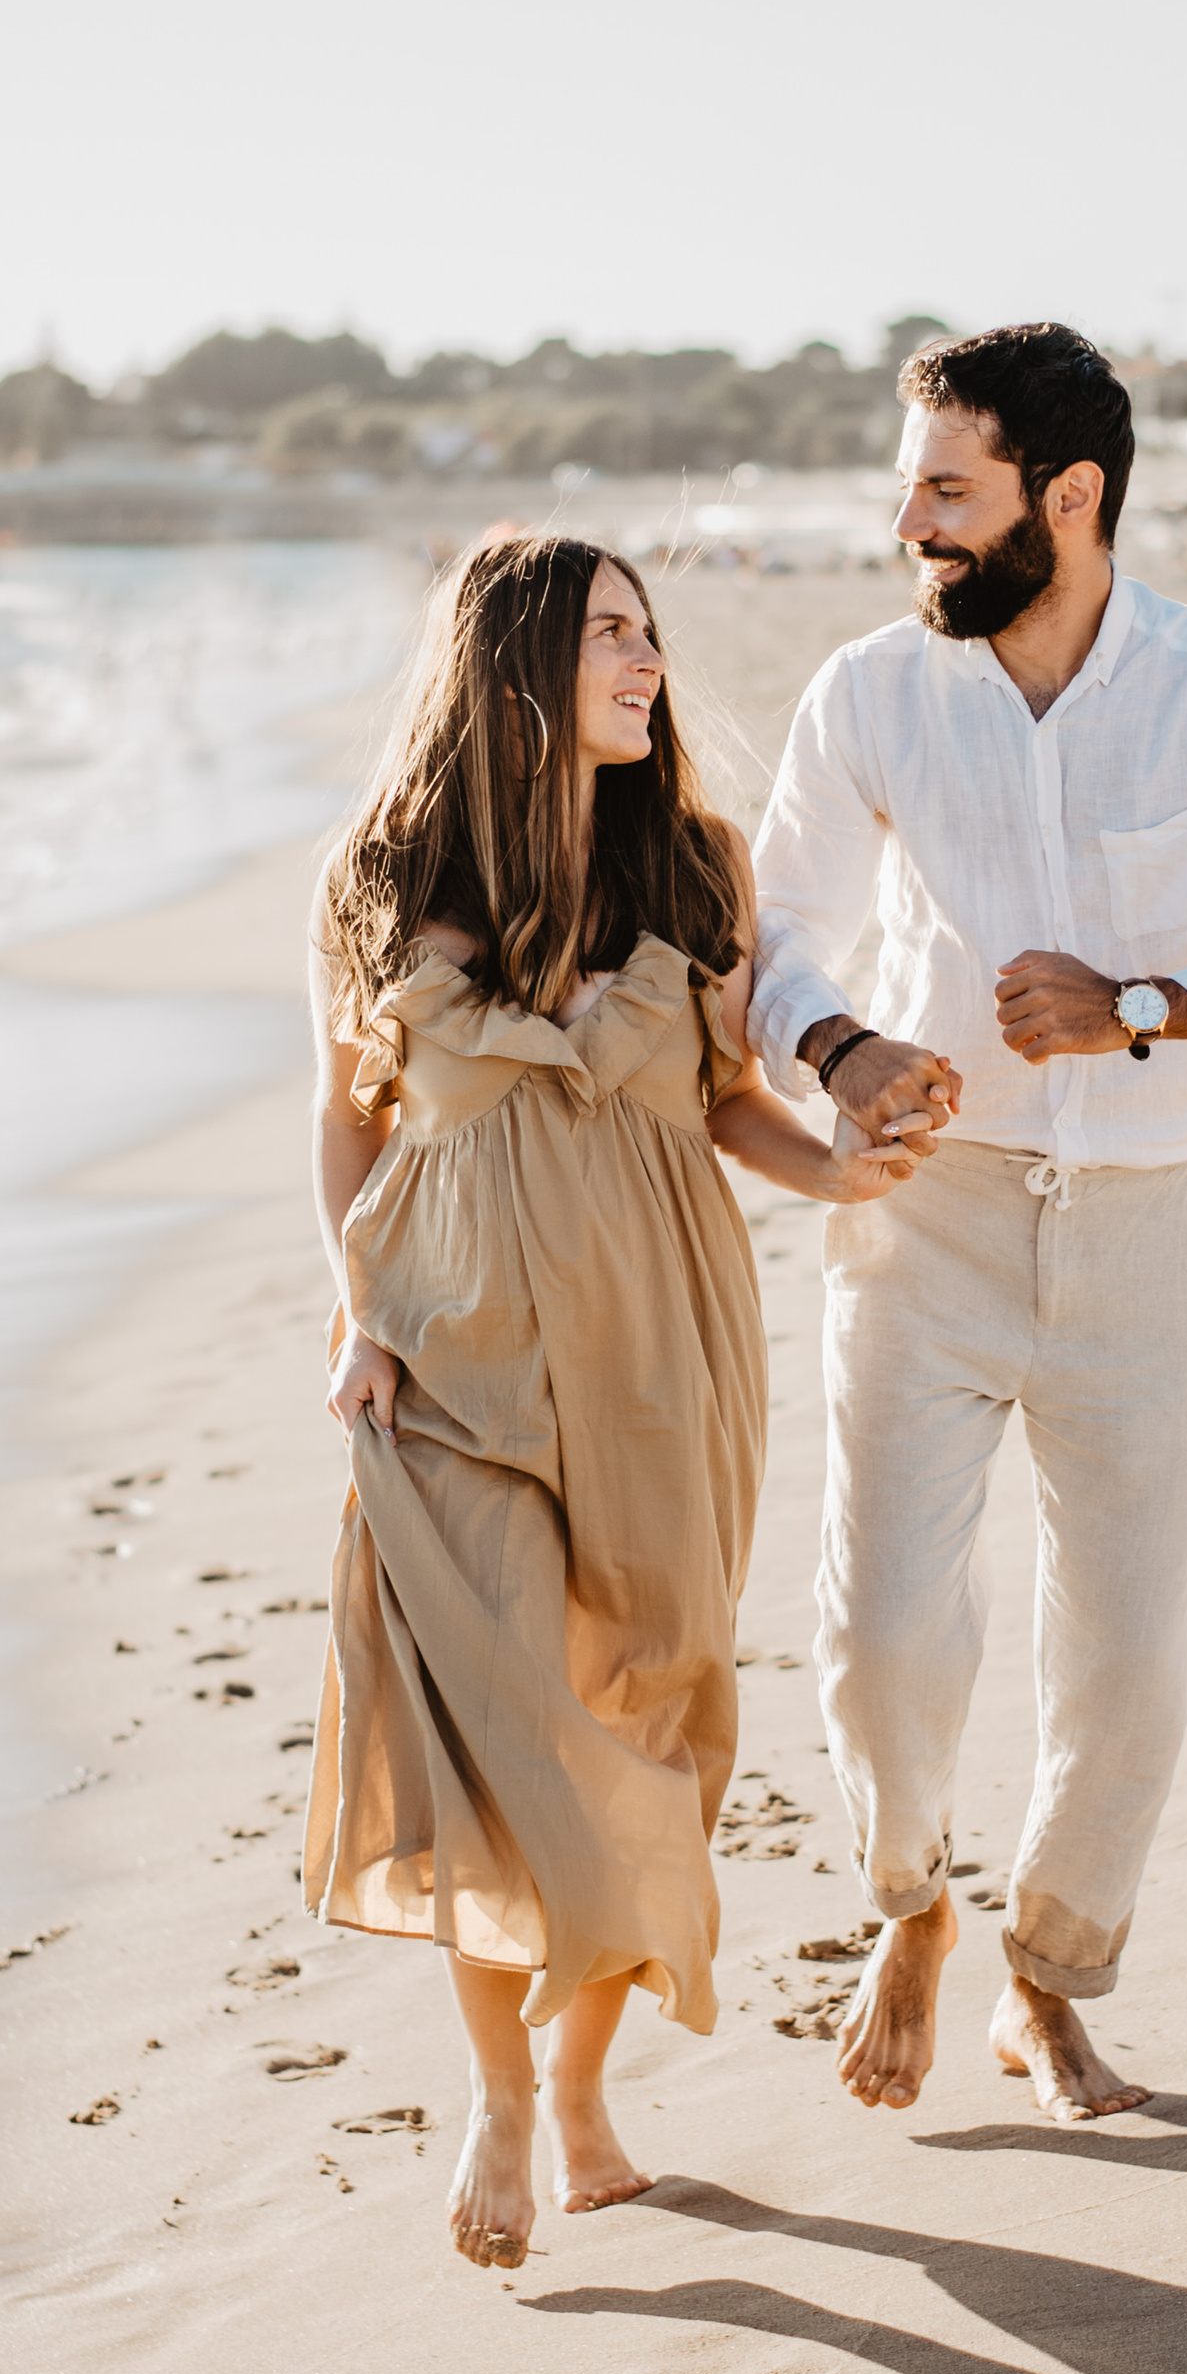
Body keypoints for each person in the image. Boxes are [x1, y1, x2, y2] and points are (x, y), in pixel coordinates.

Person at [748, 323, 1187, 2123]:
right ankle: (911, 1904)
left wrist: (1143, 1006)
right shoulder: (871, 691)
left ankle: (1050, 1969)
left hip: (1145, 1228)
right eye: (910, 490)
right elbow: (771, 928)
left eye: (948, 492)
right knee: (883, 1630)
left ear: (1071, 495)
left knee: (1127, 1650)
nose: (913, 527)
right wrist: (843, 1040)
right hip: (920, 1216)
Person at [304, 534, 925, 2272]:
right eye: (610, 638)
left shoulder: (695, 861)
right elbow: (350, 1118)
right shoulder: (377, 875)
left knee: (656, 1717)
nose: (650, 664)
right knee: (502, 1726)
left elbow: (728, 1105)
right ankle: (502, 2097)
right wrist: (358, 1314)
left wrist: (845, 1171)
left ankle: (584, 2084)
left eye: (653, 632)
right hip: (450, 1346)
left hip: (665, 1346)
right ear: (514, 666)